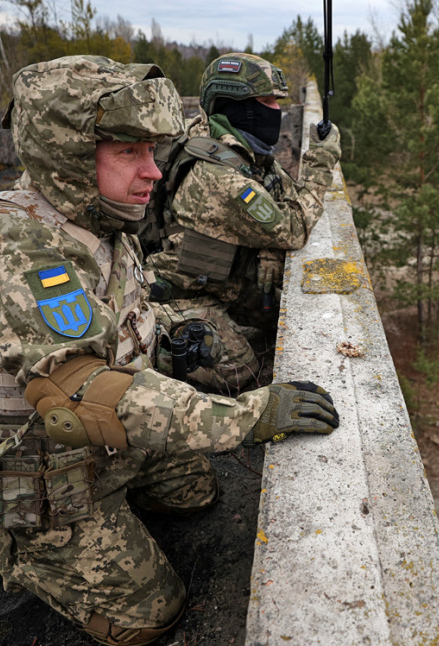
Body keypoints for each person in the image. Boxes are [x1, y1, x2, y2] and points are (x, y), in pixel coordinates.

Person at [0, 55, 339, 646]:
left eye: (152, 150)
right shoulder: (23, 250)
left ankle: (122, 494)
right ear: (68, 155)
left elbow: (122, 321)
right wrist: (250, 416)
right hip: (51, 468)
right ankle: (24, 553)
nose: (153, 171)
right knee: (153, 616)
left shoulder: (100, 218)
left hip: (111, 445)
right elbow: (80, 397)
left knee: (197, 494)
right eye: (129, 152)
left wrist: (170, 337)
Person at [142, 52, 341, 394]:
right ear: (236, 107)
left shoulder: (238, 150)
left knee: (282, 320)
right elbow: (294, 228)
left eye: (277, 101)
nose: (276, 110)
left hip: (222, 282)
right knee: (242, 373)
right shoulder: (218, 176)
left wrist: (268, 249)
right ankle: (157, 347)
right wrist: (321, 160)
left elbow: (284, 197)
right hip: (182, 294)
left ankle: (221, 330)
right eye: (266, 102)